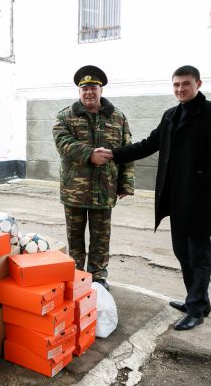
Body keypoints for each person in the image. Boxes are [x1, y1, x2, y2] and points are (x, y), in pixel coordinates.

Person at [96, 65, 211, 330]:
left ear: (198, 84)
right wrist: (115, 153)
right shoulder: (171, 115)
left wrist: (201, 183)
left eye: (185, 84)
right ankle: (198, 301)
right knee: (182, 252)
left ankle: (196, 309)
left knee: (199, 255)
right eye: (176, 85)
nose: (180, 89)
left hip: (199, 199)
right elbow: (149, 144)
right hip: (175, 198)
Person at [52, 65, 135, 291]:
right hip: (74, 190)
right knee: (75, 237)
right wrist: (90, 155)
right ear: (79, 91)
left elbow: (127, 150)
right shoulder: (65, 116)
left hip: (105, 188)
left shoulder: (117, 117)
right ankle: (77, 273)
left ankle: (98, 276)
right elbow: (63, 144)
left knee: (101, 237)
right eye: (85, 88)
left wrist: (126, 183)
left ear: (101, 90)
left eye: (93, 88)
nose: (89, 92)